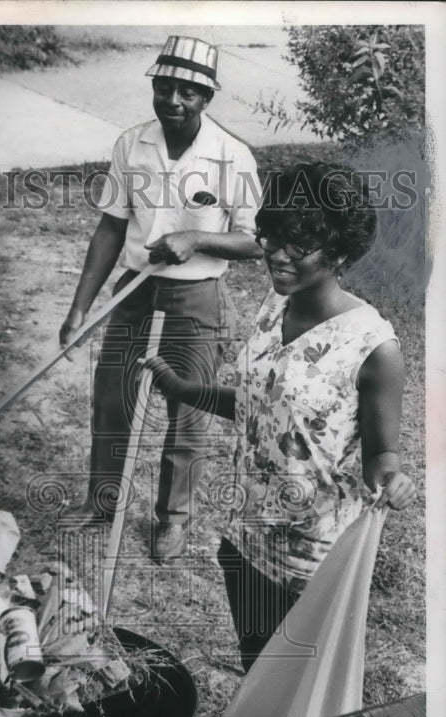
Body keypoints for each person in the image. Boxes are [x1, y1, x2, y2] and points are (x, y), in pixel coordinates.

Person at [141, 162, 416, 672]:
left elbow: (382, 455)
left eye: (299, 244)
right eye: (272, 237)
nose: (278, 254)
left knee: (296, 683)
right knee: (254, 665)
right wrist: (183, 390)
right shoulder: (275, 304)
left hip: (309, 557)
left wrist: (392, 479)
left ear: (339, 253)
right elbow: (258, 403)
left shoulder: (373, 347)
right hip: (246, 532)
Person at [59, 35, 262, 561]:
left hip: (197, 296)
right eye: (164, 87)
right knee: (113, 399)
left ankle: (173, 519)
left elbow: (255, 240)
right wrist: (79, 307)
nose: (173, 100)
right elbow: (110, 228)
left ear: (206, 98)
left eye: (187, 92)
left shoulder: (231, 156)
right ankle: (103, 502)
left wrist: (196, 238)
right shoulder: (132, 145)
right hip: (134, 291)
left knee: (188, 409)